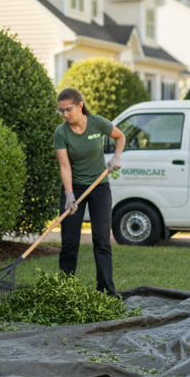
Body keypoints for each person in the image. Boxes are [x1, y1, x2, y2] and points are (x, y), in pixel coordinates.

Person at [53, 87, 125, 297]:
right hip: (73, 188)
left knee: (102, 241)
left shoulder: (97, 122)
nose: (65, 115)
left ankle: (106, 291)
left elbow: (120, 137)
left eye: (68, 110)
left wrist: (117, 157)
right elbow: (65, 166)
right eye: (61, 111)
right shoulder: (61, 132)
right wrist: (69, 195)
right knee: (69, 242)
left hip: (99, 188)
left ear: (80, 106)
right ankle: (65, 291)